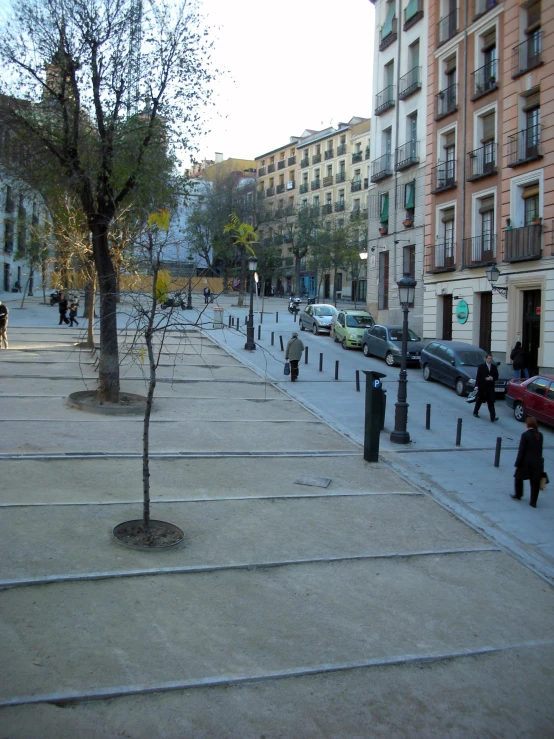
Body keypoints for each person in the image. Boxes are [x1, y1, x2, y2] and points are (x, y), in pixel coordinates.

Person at [511, 416, 544, 508]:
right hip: (537, 462)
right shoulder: (540, 435)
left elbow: (521, 451)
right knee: (535, 483)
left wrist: (517, 463)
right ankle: (533, 502)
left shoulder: (525, 435)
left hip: (526, 462)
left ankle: (518, 495)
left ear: (527, 424)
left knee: (518, 478)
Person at [473, 353, 499, 422]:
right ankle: (475, 412)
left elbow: (496, 376)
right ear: (486, 359)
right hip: (482, 387)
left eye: (491, 358)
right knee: (479, 401)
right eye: (488, 358)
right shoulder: (481, 366)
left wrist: (491, 378)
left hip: (490, 388)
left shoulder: (493, 367)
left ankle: (492, 417)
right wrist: (476, 386)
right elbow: (478, 377)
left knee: (491, 402)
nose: (490, 360)